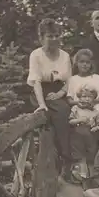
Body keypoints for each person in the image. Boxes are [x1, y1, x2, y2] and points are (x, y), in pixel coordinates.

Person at [27, 18, 73, 181]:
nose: (54, 39)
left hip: (59, 91)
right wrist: (41, 104)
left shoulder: (65, 56)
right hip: (40, 92)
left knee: (64, 112)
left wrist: (60, 94)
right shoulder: (36, 55)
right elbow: (36, 82)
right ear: (41, 37)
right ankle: (57, 162)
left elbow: (68, 82)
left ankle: (65, 160)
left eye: (56, 35)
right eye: (49, 36)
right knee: (50, 117)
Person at [68, 87, 99, 181]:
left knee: (91, 152)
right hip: (77, 133)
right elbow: (70, 121)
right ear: (79, 98)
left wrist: (94, 128)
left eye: (90, 97)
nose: (86, 99)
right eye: (84, 96)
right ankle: (81, 172)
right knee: (79, 153)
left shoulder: (95, 112)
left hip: (90, 134)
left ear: (93, 99)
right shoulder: (75, 109)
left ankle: (91, 173)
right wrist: (79, 120)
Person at [67, 48, 99, 117]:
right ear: (76, 63)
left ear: (91, 64)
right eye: (82, 62)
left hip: (94, 107)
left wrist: (94, 101)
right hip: (79, 108)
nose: (85, 64)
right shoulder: (73, 79)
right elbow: (70, 99)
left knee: (98, 112)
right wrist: (78, 103)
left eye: (87, 62)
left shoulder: (96, 77)